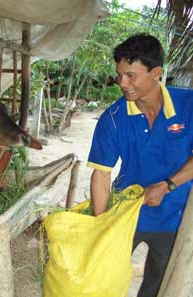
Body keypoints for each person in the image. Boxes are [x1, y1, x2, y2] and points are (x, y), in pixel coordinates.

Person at [87, 33, 193, 297]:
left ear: (156, 72)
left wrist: (168, 185)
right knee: (106, 279)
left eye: (131, 75)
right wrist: (101, 225)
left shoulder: (188, 105)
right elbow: (101, 174)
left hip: (176, 216)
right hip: (127, 213)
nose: (122, 83)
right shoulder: (113, 118)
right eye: (119, 74)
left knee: (159, 283)